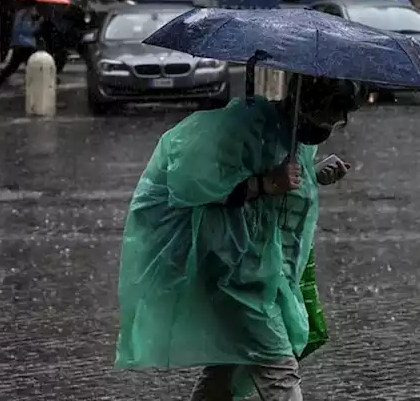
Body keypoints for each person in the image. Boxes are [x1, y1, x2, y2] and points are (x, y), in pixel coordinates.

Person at [115, 75, 360, 401]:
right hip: (231, 269)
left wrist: (314, 173)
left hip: (260, 271)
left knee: (228, 365)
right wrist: (264, 184)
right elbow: (195, 187)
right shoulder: (239, 128)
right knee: (279, 369)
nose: (328, 126)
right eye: (327, 114)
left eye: (336, 121)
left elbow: (282, 186)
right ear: (306, 101)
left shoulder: (294, 137)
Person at [0, 3, 44, 94]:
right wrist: (38, 23)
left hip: (21, 45)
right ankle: (38, 89)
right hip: (24, 46)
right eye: (35, 9)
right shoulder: (26, 16)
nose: (36, 11)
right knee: (30, 66)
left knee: (13, 67)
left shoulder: (22, 14)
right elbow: (28, 31)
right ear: (31, 7)